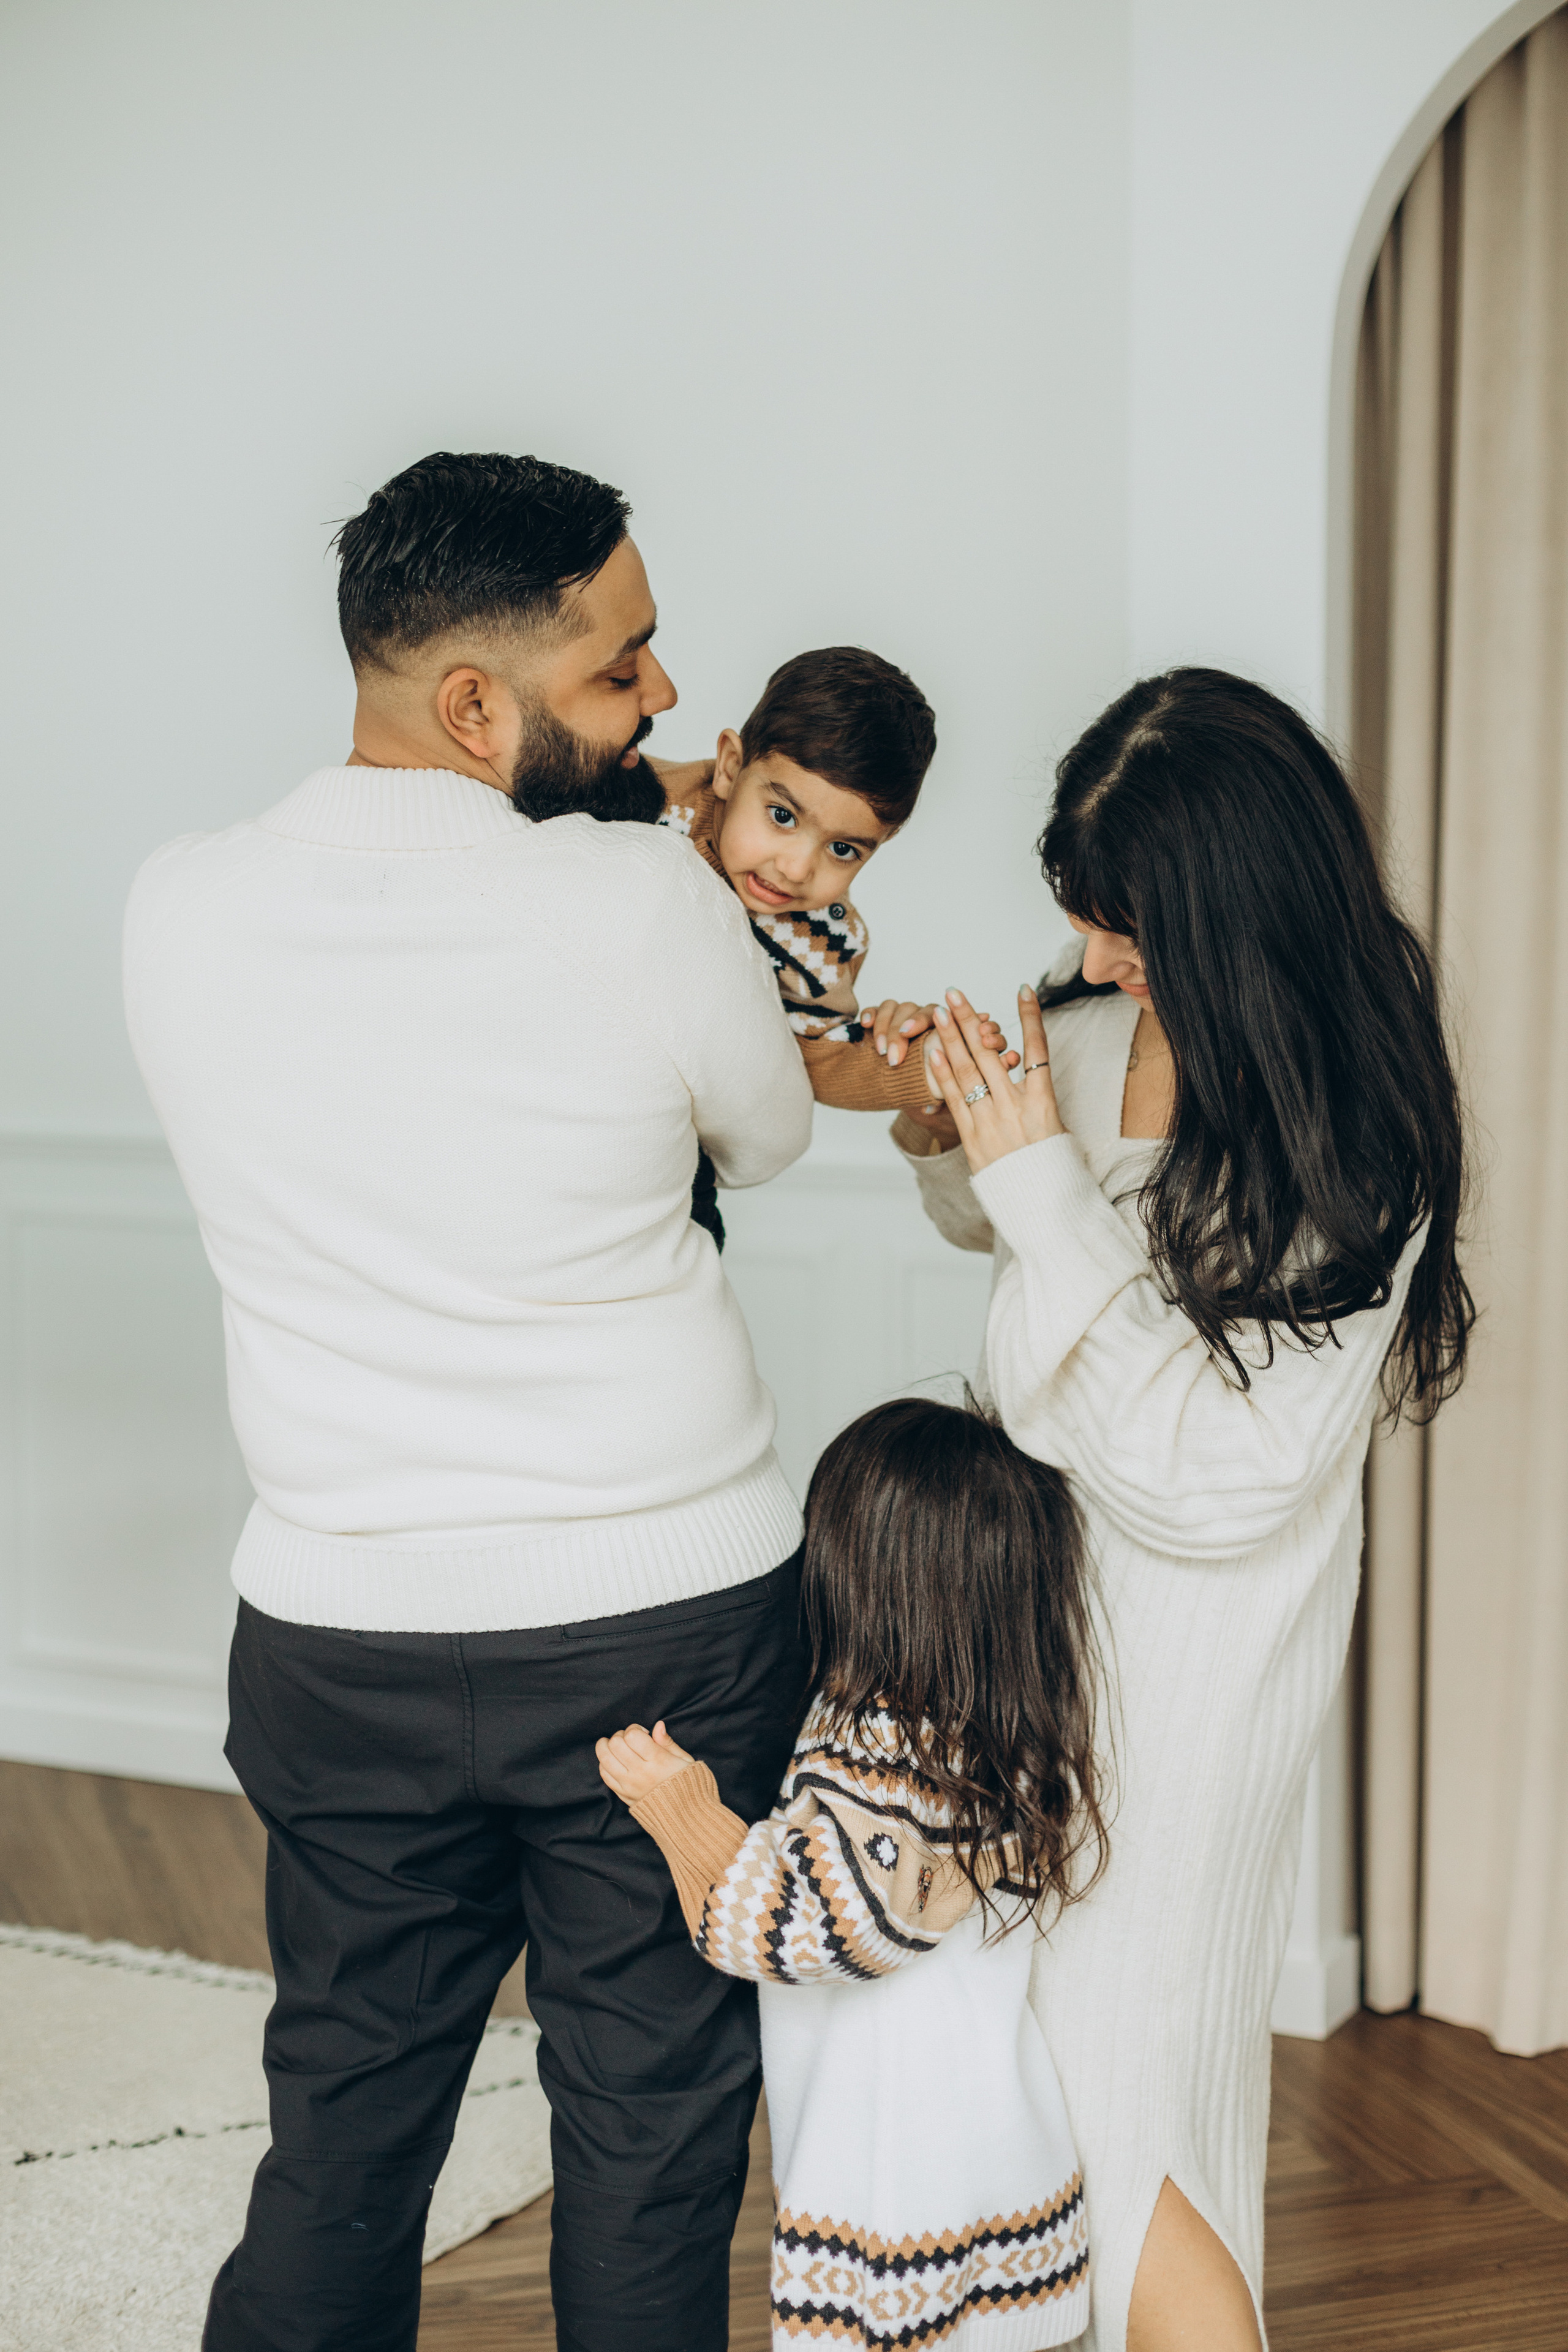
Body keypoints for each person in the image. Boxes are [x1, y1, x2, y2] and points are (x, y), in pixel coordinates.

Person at [123, 450, 817, 2352]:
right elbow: (755, 1134)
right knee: (651, 2139)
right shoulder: (640, 906)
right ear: (470, 706)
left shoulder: (179, 905)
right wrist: (673, 885)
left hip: (341, 1629)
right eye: (624, 663)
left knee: (339, 2134)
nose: (670, 695)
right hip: (666, 1624)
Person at [897, 668, 1472, 2352]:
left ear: (1226, 910)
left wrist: (1035, 1188)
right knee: (1035, 2078)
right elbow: (1036, 1278)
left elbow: (1222, 1476)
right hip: (1039, 1617)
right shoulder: (1107, 1023)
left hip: (1198, 1653)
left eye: (1124, 932)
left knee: (1127, 2081)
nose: (1092, 964)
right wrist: (964, 1147)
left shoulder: (1351, 1124)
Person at [597, 1395, 1106, 2350]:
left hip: (893, 2176)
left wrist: (685, 1814)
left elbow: (813, 1927)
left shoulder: (881, 1748)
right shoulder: (1011, 1731)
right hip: (989, 2143)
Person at [649, 646, 1009, 1245]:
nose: (795, 868)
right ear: (730, 766)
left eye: (843, 850)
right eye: (781, 816)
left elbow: (821, 1054)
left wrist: (928, 1067)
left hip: (677, 1163)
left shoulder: (822, 939)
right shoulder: (646, 801)